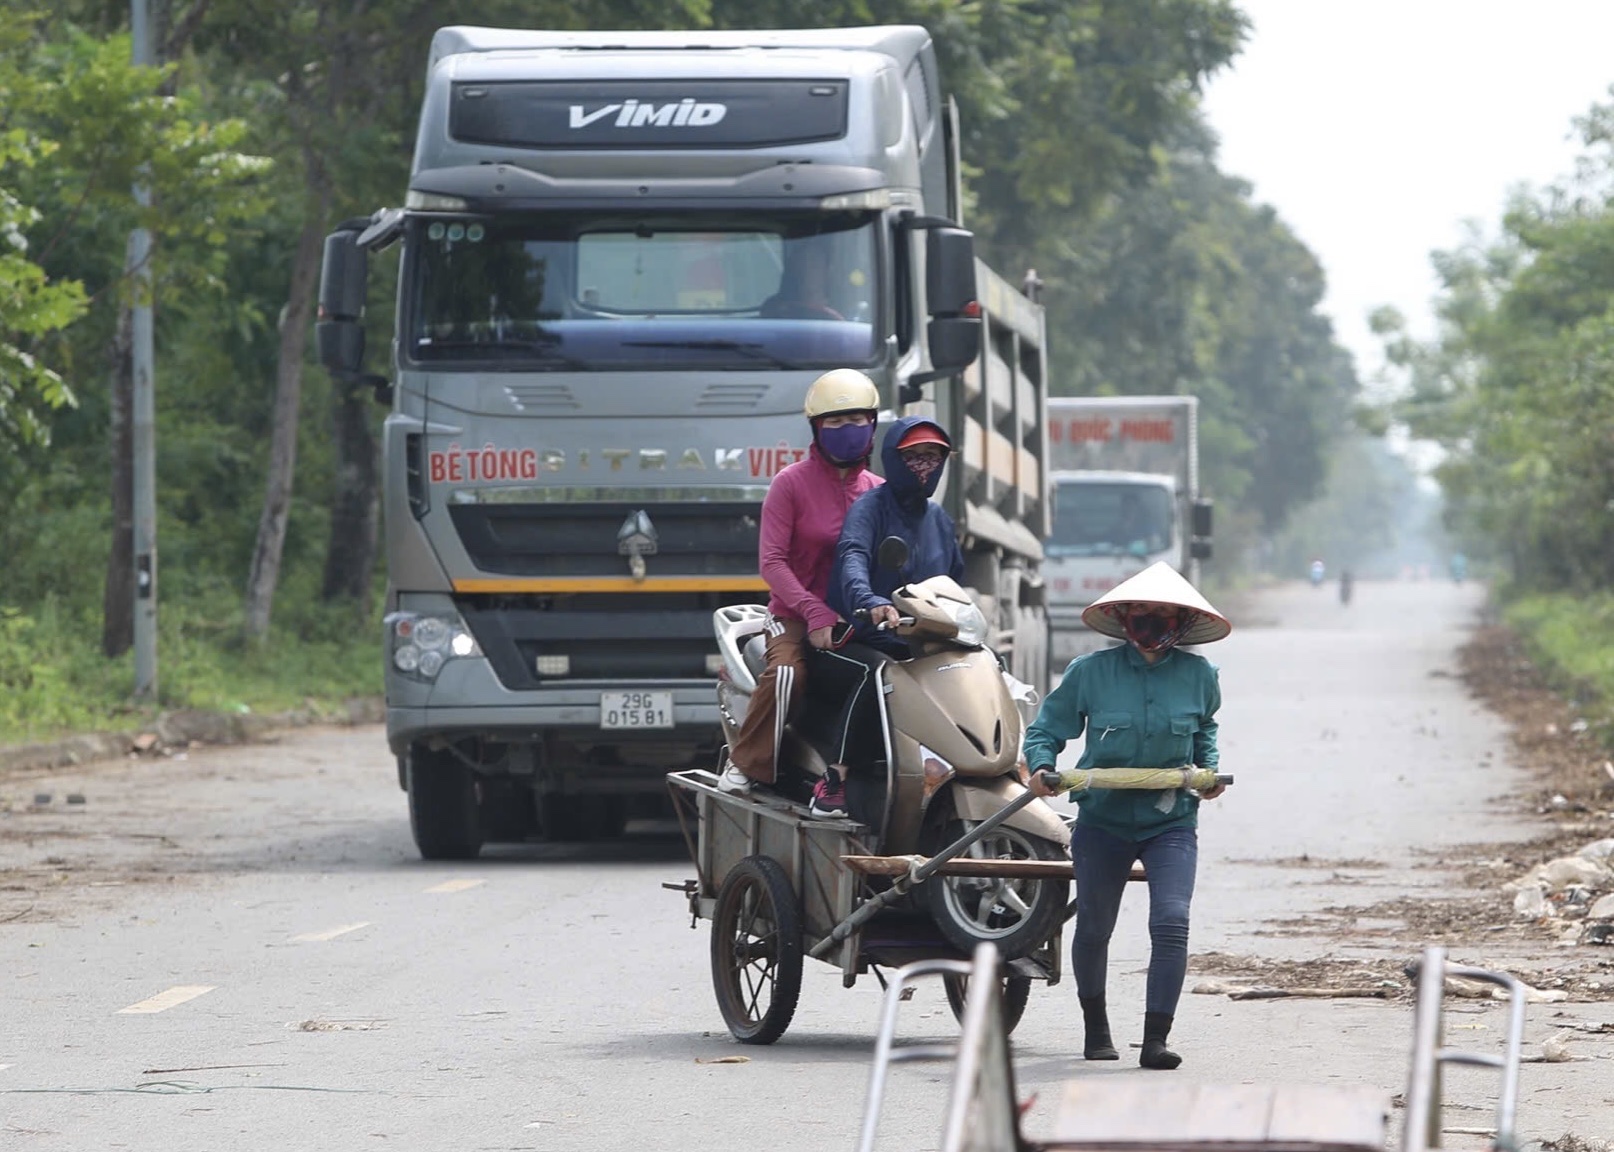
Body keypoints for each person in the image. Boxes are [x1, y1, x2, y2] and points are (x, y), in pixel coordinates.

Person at [1026, 562, 1231, 1070]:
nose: (1151, 622)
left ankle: (1156, 1039)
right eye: (1141, 612)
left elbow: (1205, 729)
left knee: (1173, 919)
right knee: (1095, 925)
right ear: (1123, 617)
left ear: (1180, 622)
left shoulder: (1200, 676)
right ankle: (1096, 1028)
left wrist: (1207, 772)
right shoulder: (1089, 673)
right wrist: (1043, 765)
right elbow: (1046, 730)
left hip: (1171, 821)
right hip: (1104, 820)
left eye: (1162, 614)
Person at [717, 369, 883, 796]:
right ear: (816, 428)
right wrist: (812, 609)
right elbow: (771, 562)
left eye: (857, 421)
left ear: (874, 425)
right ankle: (747, 763)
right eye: (835, 423)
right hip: (792, 615)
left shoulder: (879, 493)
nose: (848, 431)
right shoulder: (789, 484)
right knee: (788, 673)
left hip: (857, 620)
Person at [809, 417, 966, 818]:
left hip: (915, 641)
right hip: (854, 639)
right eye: (913, 457)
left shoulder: (938, 519)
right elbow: (853, 557)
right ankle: (833, 780)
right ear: (894, 460)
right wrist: (869, 599)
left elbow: (955, 580)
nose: (923, 465)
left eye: (932, 456)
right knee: (878, 673)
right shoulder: (870, 508)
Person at [760, 239, 843, 321]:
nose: (807, 269)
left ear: (826, 270)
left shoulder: (834, 318)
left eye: (814, 264)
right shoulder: (774, 307)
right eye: (802, 262)